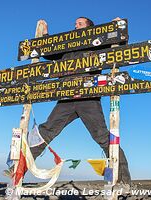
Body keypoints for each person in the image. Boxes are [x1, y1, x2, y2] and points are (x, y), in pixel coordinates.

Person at [30, 17, 131, 186]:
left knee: (103, 137)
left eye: (80, 24)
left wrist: (118, 27)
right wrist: (46, 33)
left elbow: (119, 45)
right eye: (75, 24)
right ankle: (18, 169)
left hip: (88, 97)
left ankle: (124, 181)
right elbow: (48, 53)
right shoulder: (67, 46)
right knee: (46, 131)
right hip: (66, 97)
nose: (76, 26)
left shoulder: (96, 42)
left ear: (90, 28)